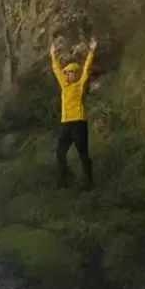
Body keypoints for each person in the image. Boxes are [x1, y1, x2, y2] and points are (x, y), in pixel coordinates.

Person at [50, 36, 97, 189]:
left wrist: (91, 51)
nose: (68, 75)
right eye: (67, 73)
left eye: (71, 73)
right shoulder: (64, 85)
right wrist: (52, 54)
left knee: (83, 153)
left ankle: (88, 181)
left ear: (75, 74)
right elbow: (56, 69)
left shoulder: (80, 85)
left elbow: (87, 69)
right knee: (60, 152)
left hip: (78, 122)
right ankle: (63, 179)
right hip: (66, 123)